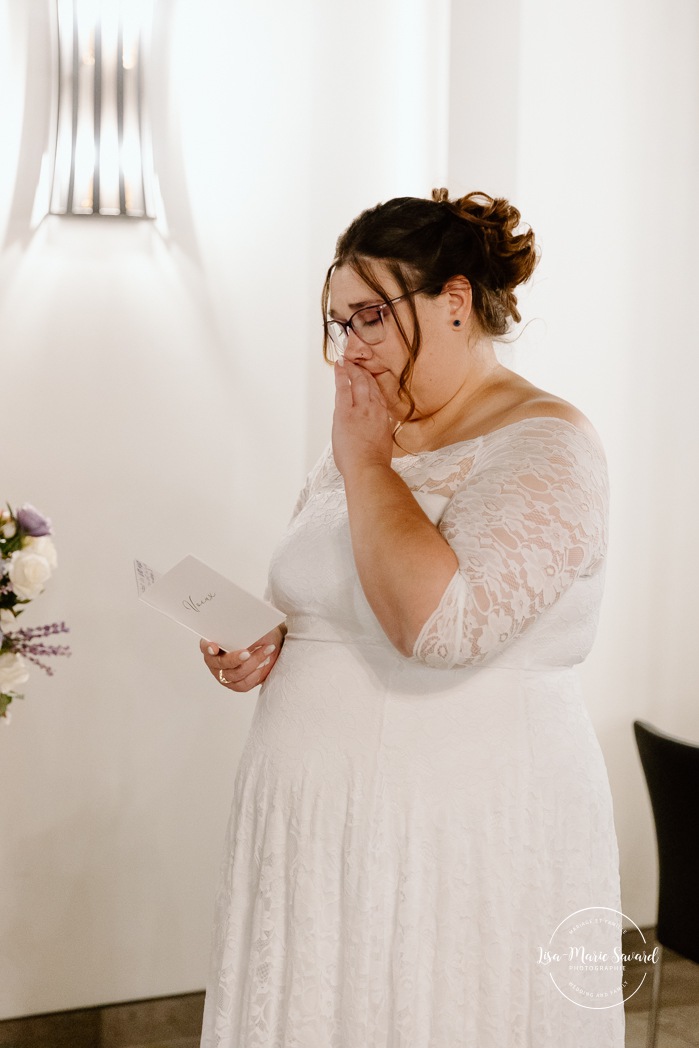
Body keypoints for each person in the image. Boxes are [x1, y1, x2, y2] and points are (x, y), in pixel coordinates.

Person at [198, 189, 624, 1047]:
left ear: (455, 303)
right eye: (337, 324)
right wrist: (278, 637)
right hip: (313, 831)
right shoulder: (372, 435)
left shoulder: (544, 442)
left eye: (369, 319)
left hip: (455, 832)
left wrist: (362, 459)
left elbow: (441, 628)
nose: (350, 350)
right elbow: (342, 587)